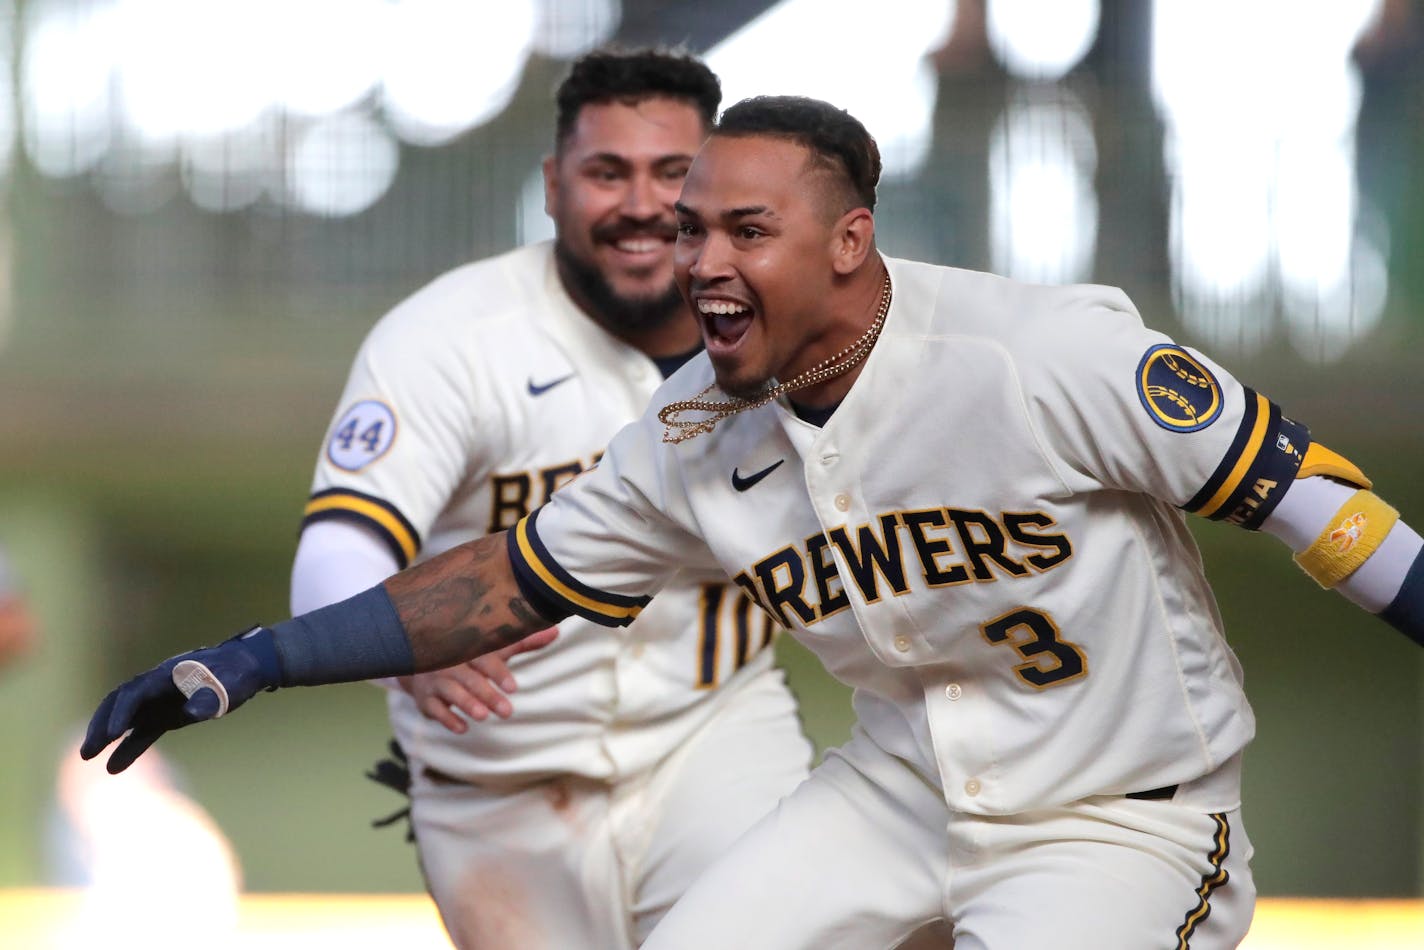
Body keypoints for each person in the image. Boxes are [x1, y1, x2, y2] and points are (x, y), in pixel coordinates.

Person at [82, 96, 1424, 948]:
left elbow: (1326, 513)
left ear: (848, 242)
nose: (701, 261)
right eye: (691, 229)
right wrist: (255, 655)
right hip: (901, 790)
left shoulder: (1045, 352)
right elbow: (507, 582)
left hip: (1120, 811)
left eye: (744, 229)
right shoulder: (691, 433)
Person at [284, 49, 814, 949]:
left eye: (673, 173)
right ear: (553, 185)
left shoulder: (795, 331)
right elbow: (336, 552)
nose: (642, 204)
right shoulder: (452, 335)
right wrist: (402, 640)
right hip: (493, 787)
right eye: (607, 172)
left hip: (715, 739)